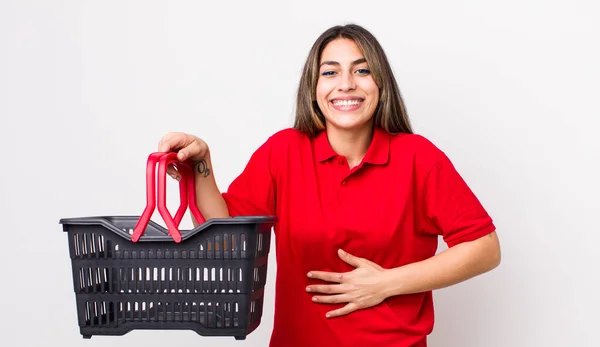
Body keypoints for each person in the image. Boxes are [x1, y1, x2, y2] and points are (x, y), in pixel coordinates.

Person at [158, 23, 501, 347]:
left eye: (362, 70)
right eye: (330, 72)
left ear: (381, 84)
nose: (347, 84)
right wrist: (202, 165)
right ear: (314, 88)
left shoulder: (418, 158)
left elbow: (484, 248)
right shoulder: (284, 152)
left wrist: (386, 283)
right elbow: (225, 242)